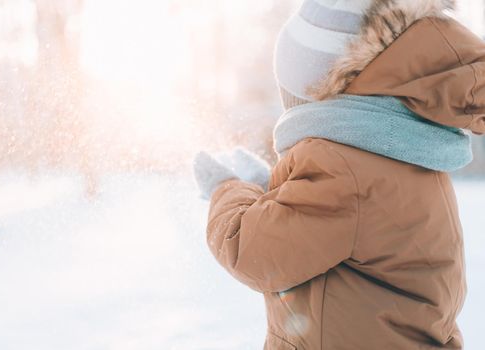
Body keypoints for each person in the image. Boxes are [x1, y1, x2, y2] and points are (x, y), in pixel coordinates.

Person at [193, 0, 485, 348]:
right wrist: (267, 191)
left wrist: (227, 189)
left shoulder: (341, 166)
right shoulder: (401, 153)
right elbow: (341, 224)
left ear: (325, 91)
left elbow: (253, 251)